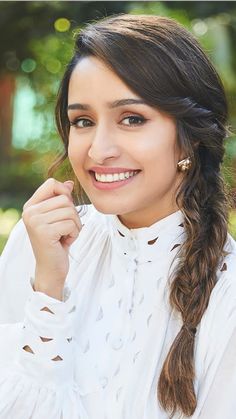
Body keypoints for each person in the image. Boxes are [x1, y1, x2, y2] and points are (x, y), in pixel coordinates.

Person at [0, 12, 235, 419]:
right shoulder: (40, 245)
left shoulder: (228, 294)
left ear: (191, 137)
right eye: (83, 121)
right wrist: (48, 290)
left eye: (132, 118)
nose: (98, 149)